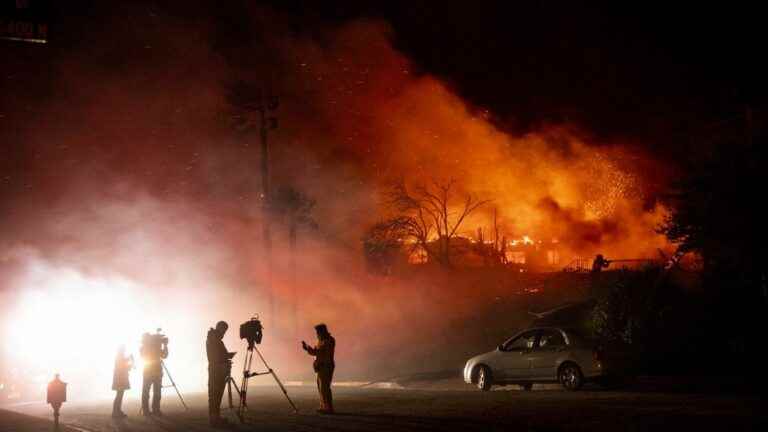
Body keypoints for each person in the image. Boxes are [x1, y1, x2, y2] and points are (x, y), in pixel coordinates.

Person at [302, 323, 336, 414]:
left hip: (326, 365)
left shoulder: (328, 340)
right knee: (321, 387)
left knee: (325, 387)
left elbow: (319, 352)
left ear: (322, 331)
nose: (316, 334)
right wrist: (308, 349)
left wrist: (308, 349)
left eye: (317, 332)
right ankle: (324, 406)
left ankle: (328, 408)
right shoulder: (322, 341)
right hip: (321, 366)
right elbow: (316, 352)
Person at [206, 321, 234, 426]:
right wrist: (226, 358)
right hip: (216, 369)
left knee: (217, 394)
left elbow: (219, 354)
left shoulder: (214, 338)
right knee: (215, 394)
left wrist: (226, 357)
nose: (224, 333)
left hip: (218, 368)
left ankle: (215, 417)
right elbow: (216, 356)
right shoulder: (214, 339)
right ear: (219, 328)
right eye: (224, 330)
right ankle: (214, 419)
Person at [140, 331, 168, 416]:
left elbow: (164, 355)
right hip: (155, 371)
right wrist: (164, 345)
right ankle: (155, 410)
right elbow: (164, 355)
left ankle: (147, 411)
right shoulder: (147, 347)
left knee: (148, 391)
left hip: (149, 371)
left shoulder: (143, 347)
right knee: (155, 392)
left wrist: (162, 345)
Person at [112, 345, 134, 418]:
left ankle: (117, 411)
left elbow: (124, 364)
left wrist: (129, 361)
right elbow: (124, 366)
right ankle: (116, 412)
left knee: (119, 395)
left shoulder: (119, 357)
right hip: (120, 379)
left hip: (119, 379)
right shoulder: (120, 357)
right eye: (124, 350)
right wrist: (131, 362)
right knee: (119, 395)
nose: (124, 351)